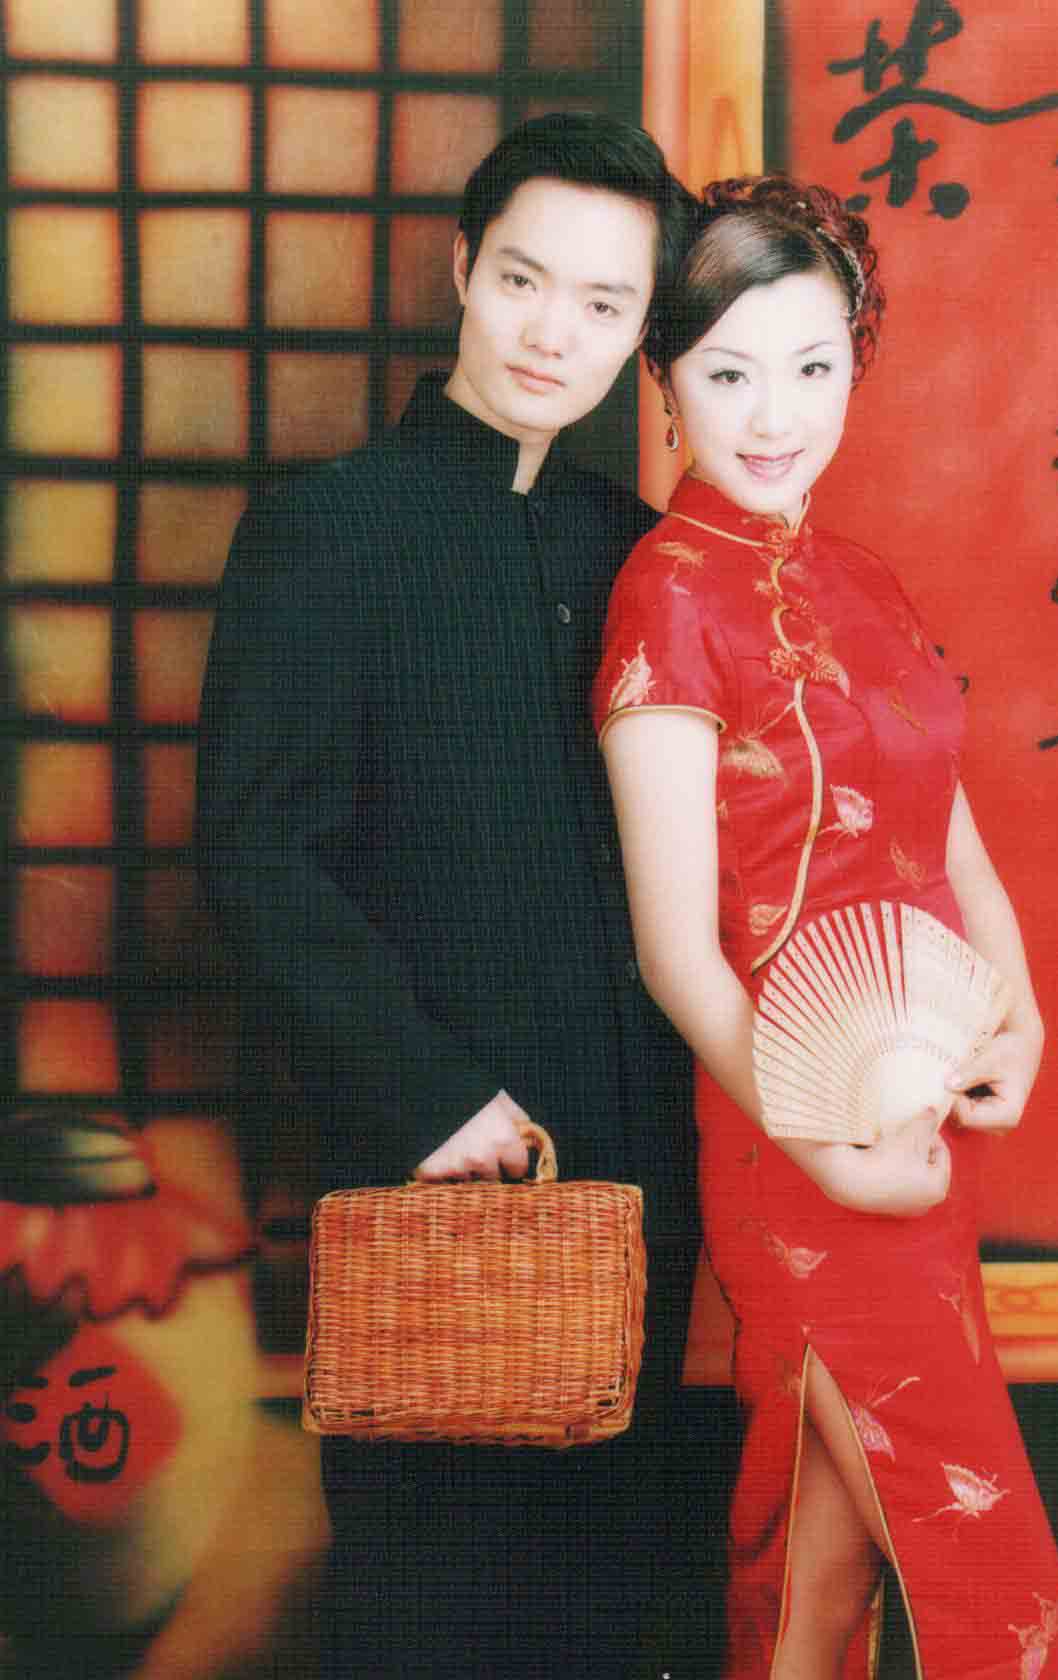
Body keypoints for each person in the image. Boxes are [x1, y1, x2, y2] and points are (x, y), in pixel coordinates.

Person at [195, 112, 700, 1679]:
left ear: (641, 334)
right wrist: (429, 1100)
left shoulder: (638, 557)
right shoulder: (326, 532)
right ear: (462, 269)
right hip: (440, 1180)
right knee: (434, 1619)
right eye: (526, 280)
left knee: (612, 1616)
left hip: (638, 1185)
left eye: (606, 304)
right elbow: (257, 856)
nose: (555, 333)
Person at [593, 175, 1058, 1678]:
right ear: (666, 379)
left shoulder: (864, 581)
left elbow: (951, 836)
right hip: (792, 1149)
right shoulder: (667, 599)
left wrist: (1020, 1019)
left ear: (856, 360)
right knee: (1007, 1610)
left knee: (820, 1595)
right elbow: (677, 953)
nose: (775, 414)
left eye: (812, 366)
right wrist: (830, 1154)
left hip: (924, 1119)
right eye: (728, 373)